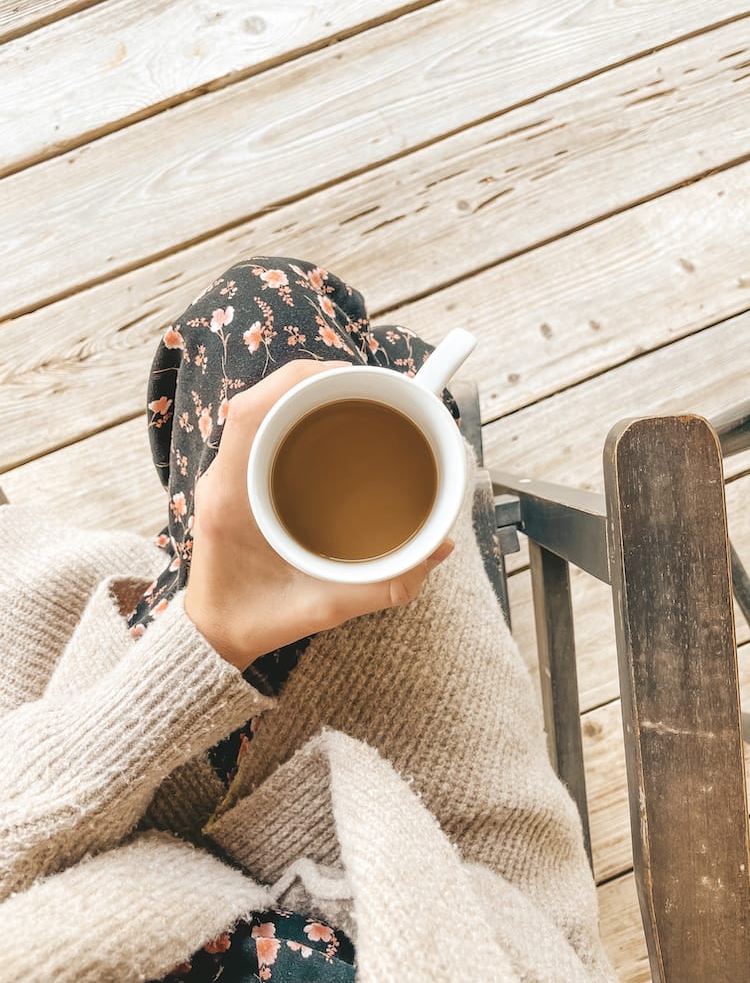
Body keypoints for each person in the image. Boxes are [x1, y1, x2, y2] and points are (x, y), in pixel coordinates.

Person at [0, 257, 616, 982]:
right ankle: (406, 394)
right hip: (450, 882)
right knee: (283, 321)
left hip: (96, 812)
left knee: (291, 358)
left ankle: (396, 406)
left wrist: (209, 642)